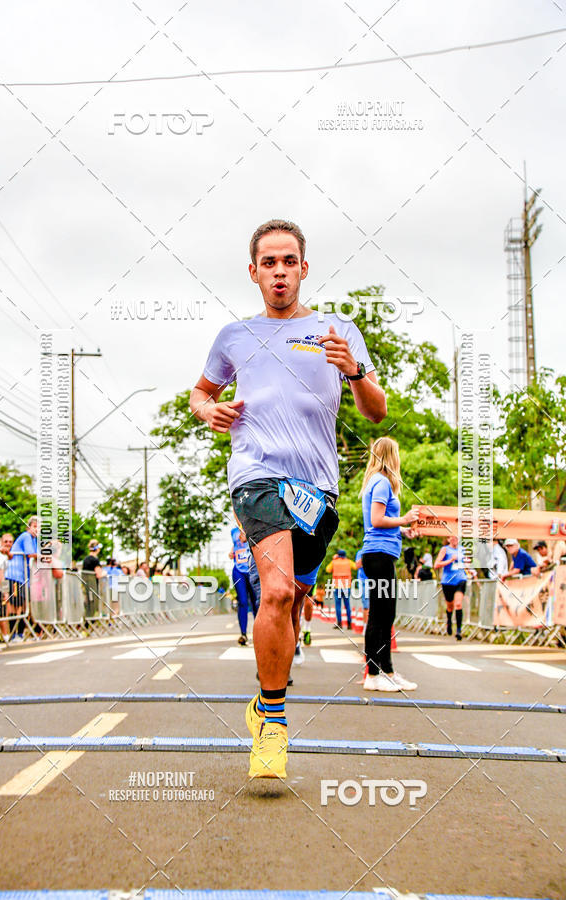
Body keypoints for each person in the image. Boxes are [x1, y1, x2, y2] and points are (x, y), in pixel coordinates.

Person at [190, 218, 386, 779]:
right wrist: (208, 411)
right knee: (274, 591)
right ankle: (273, 724)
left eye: (289, 261)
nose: (279, 272)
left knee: (294, 600)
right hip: (255, 475)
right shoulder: (234, 336)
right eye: (269, 263)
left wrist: (355, 371)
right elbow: (200, 393)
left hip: (317, 487)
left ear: (304, 268)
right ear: (254, 272)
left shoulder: (337, 330)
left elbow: (376, 412)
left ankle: (264, 702)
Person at [360, 436, 418, 692]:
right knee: (379, 614)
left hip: (382, 553)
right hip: (378, 555)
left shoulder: (378, 482)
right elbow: (376, 520)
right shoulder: (382, 482)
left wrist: (403, 530)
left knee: (387, 615)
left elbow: (383, 522)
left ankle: (388, 671)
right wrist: (404, 519)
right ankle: (373, 675)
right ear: (390, 456)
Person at [5, 516, 38, 639]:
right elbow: (31, 554)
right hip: (15, 575)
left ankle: (20, 632)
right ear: (29, 527)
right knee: (14, 605)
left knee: (24, 605)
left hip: (24, 577)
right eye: (35, 526)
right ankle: (13, 634)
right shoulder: (26, 536)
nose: (37, 529)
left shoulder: (34, 540)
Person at [434, 535, 468, 640]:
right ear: (448, 539)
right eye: (452, 538)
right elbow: (436, 565)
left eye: (456, 538)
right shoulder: (445, 549)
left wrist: (469, 569)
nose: (454, 540)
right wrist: (450, 560)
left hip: (460, 579)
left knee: (458, 604)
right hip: (448, 581)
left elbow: (466, 564)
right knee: (450, 606)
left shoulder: (463, 549)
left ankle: (459, 630)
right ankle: (449, 621)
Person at [230, 524, 259, 645]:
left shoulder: (254, 525)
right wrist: (232, 551)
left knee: (256, 602)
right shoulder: (233, 531)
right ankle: (243, 634)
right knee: (242, 601)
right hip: (238, 570)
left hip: (252, 570)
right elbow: (237, 545)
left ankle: (260, 633)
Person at [325, 550, 356, 629]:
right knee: (347, 605)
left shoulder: (334, 562)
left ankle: (339, 624)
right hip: (346, 586)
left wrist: (334, 559)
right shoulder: (348, 562)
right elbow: (356, 566)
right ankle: (349, 624)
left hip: (337, 587)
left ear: (338, 555)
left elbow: (327, 569)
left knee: (338, 606)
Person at [81, 539, 105, 617]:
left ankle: (87, 619)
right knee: (93, 602)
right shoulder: (95, 559)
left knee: (88, 602)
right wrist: (105, 573)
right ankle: (89, 620)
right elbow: (99, 574)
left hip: (86, 584)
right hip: (92, 584)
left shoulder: (86, 559)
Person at [355, 548, 370, 627]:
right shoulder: (361, 552)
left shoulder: (377, 551)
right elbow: (357, 565)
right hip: (363, 581)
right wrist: (366, 556)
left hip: (375, 580)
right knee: (366, 604)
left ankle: (372, 626)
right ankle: (365, 626)